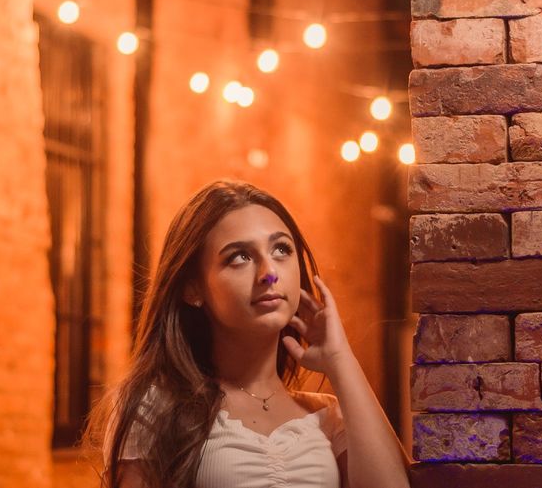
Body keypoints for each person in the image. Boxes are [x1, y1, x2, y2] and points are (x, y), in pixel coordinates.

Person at [87, 180, 410, 488]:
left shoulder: (327, 416)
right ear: (193, 288)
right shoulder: (155, 407)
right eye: (239, 257)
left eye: (281, 249)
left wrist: (340, 360)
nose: (269, 273)